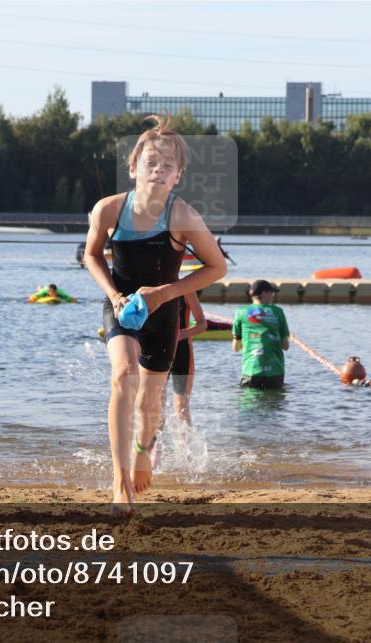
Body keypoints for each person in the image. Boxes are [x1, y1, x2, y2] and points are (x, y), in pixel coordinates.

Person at [83, 114, 228, 513]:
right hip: (121, 307)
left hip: (164, 314)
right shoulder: (108, 211)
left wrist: (166, 293)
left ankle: (144, 451)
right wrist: (113, 294)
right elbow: (92, 256)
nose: (158, 170)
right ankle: (119, 481)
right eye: (151, 162)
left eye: (168, 165)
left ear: (178, 175)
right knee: (123, 375)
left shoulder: (183, 217)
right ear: (133, 168)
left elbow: (217, 268)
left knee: (150, 402)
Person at [165, 292, 207, 446]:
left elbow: (202, 324)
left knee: (181, 408)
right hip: (156, 354)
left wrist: (176, 335)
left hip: (182, 354)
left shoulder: (186, 289)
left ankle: (185, 455)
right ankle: (154, 455)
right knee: (154, 406)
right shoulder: (150, 286)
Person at [232, 279, 289, 389]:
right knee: (274, 403)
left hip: (251, 371)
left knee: (249, 403)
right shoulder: (278, 312)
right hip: (275, 371)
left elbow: (235, 348)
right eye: (271, 293)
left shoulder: (241, 313)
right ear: (264, 293)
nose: (273, 296)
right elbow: (285, 346)